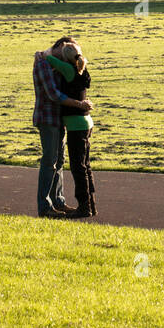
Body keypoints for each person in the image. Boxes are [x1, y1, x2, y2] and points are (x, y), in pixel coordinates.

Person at [32, 38, 92, 218]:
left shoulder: (56, 62)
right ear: (58, 47)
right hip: (48, 117)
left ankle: (58, 201)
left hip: (60, 118)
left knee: (59, 162)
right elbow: (53, 94)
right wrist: (79, 104)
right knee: (49, 161)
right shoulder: (42, 61)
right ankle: (45, 206)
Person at [48, 43, 97, 218]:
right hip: (86, 121)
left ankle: (84, 206)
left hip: (76, 124)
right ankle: (91, 204)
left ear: (66, 57)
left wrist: (44, 53)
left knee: (78, 167)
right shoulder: (83, 70)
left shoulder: (68, 70)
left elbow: (48, 58)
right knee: (85, 166)